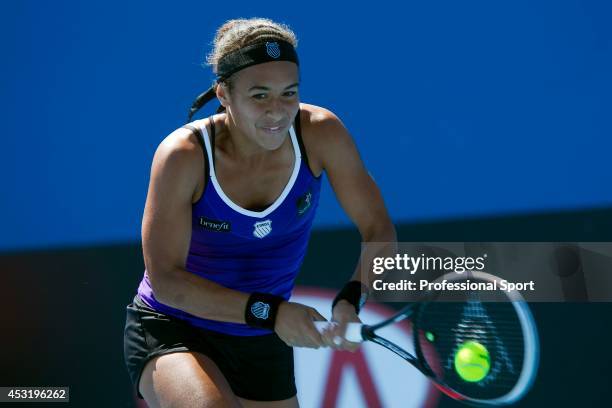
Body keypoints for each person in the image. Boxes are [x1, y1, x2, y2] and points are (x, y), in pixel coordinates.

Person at [123, 17, 396, 408]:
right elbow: (167, 281)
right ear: (224, 94)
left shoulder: (321, 133)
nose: (278, 112)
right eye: (259, 95)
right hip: (174, 326)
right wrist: (270, 312)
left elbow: (379, 230)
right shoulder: (184, 155)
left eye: (289, 93)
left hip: (260, 335)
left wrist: (351, 299)